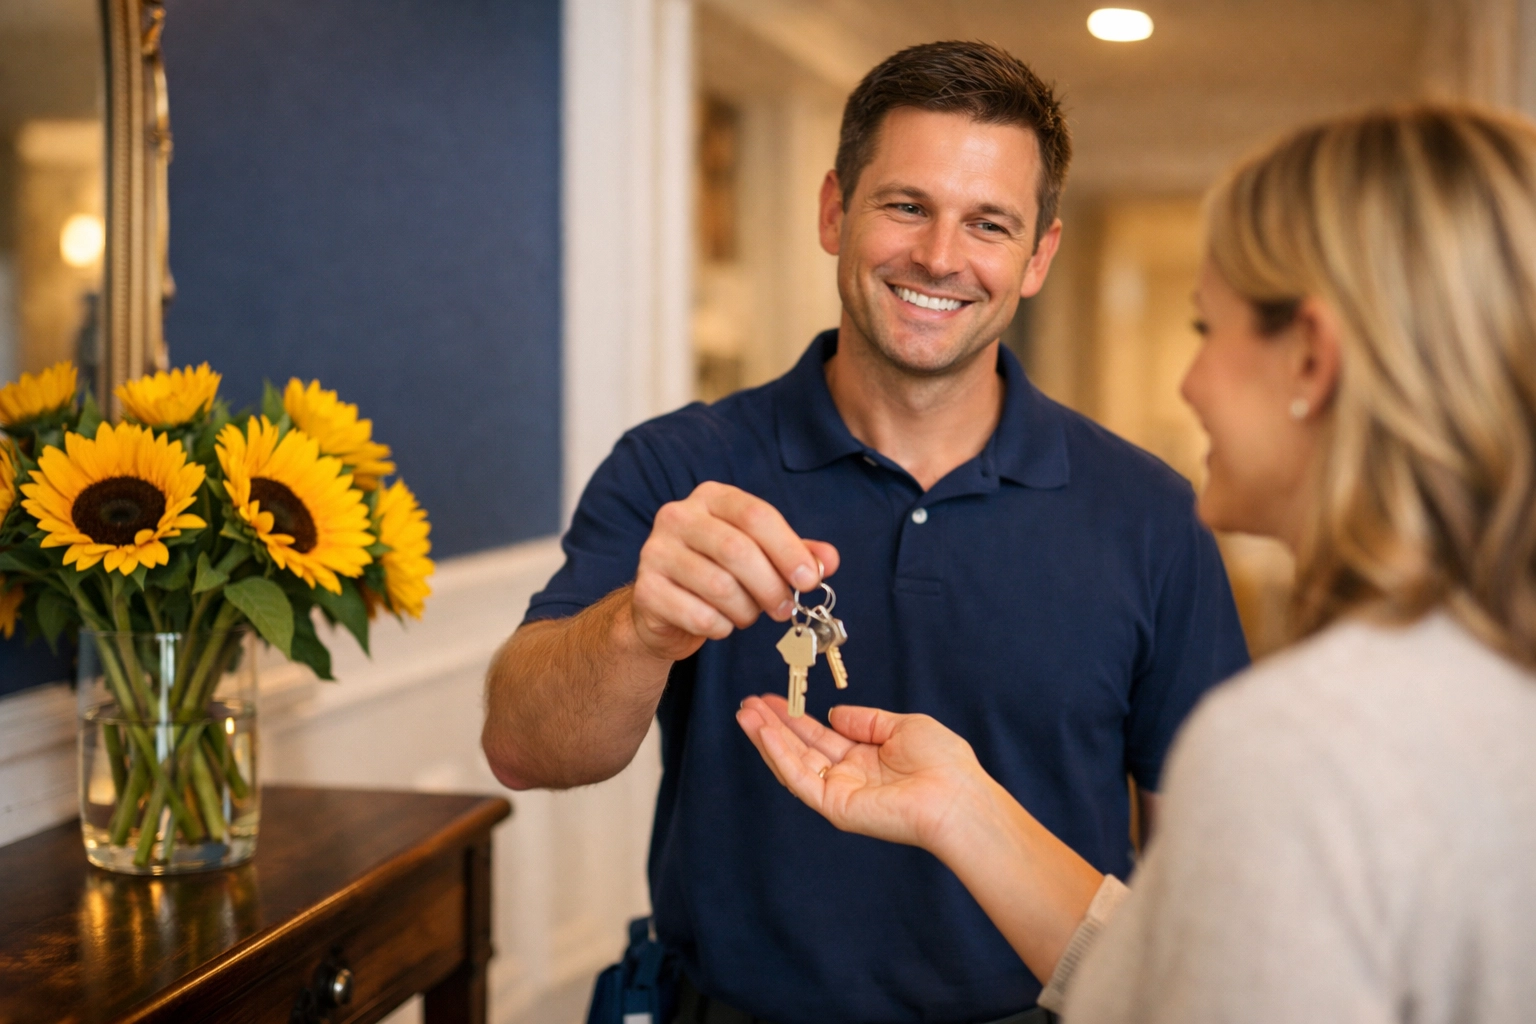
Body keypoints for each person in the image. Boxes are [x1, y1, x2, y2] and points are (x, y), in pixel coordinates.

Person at [482, 40, 1248, 1024]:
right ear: (834, 211)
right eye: (906, 206)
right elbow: (522, 749)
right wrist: (640, 627)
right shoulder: (677, 469)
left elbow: (1205, 875)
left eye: (989, 223)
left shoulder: (1152, 514)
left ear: (1038, 257)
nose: (940, 256)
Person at [738, 103, 1536, 1024]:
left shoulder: (1297, 748)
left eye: (1207, 329)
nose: (1190, 384)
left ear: (1311, 361)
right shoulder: (1488, 689)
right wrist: (964, 811)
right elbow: (1191, 987)